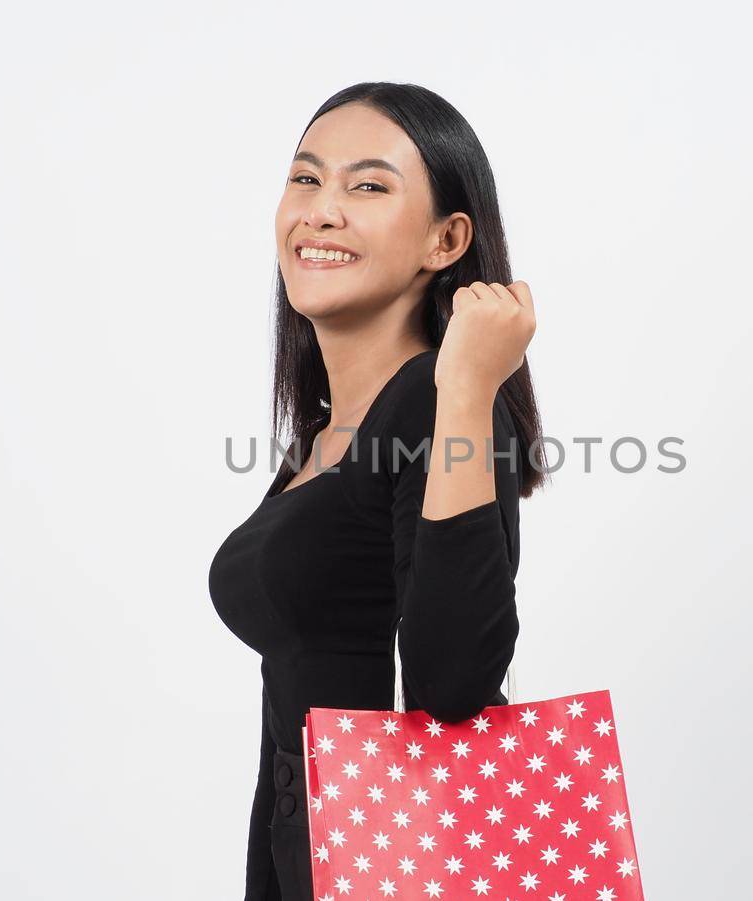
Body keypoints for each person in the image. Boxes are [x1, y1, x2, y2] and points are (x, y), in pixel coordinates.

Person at [208, 82, 548, 900]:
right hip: (313, 860)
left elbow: (457, 686)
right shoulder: (324, 433)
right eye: (305, 179)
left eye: (367, 186)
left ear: (447, 239)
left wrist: (467, 385)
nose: (321, 211)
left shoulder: (437, 399)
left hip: (397, 862)